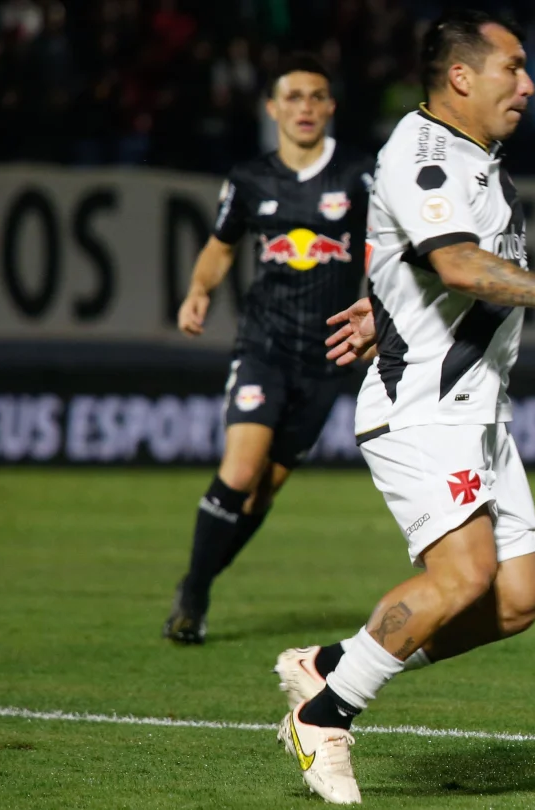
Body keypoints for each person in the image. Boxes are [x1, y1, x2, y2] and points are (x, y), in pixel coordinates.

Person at [270, 12, 535, 804]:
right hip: (427, 407)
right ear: (463, 76)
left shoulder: (474, 156)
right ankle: (327, 717)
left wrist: (389, 303)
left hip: (477, 410)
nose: (530, 84)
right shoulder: (425, 151)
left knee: (513, 603)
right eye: (514, 67)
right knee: (462, 575)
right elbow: (460, 263)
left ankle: (329, 665)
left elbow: (420, 260)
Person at [163, 55, 376, 646]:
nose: (305, 107)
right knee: (240, 470)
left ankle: (197, 582)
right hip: (264, 345)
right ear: (273, 108)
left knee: (265, 490)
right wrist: (198, 291)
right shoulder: (251, 178)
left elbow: (387, 248)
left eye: (317, 96)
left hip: (328, 355)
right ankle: (196, 596)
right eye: (294, 97)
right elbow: (221, 245)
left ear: (331, 107)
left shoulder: (360, 175)